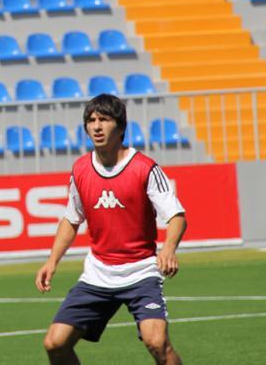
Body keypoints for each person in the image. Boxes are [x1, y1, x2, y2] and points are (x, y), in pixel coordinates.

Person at [36, 93, 187, 365]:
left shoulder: (145, 168)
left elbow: (176, 216)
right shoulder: (81, 169)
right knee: (55, 344)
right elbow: (71, 220)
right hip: (98, 274)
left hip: (141, 272)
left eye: (104, 120)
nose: (96, 126)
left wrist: (168, 248)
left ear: (121, 127)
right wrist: (52, 261)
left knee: (157, 343)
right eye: (91, 120)